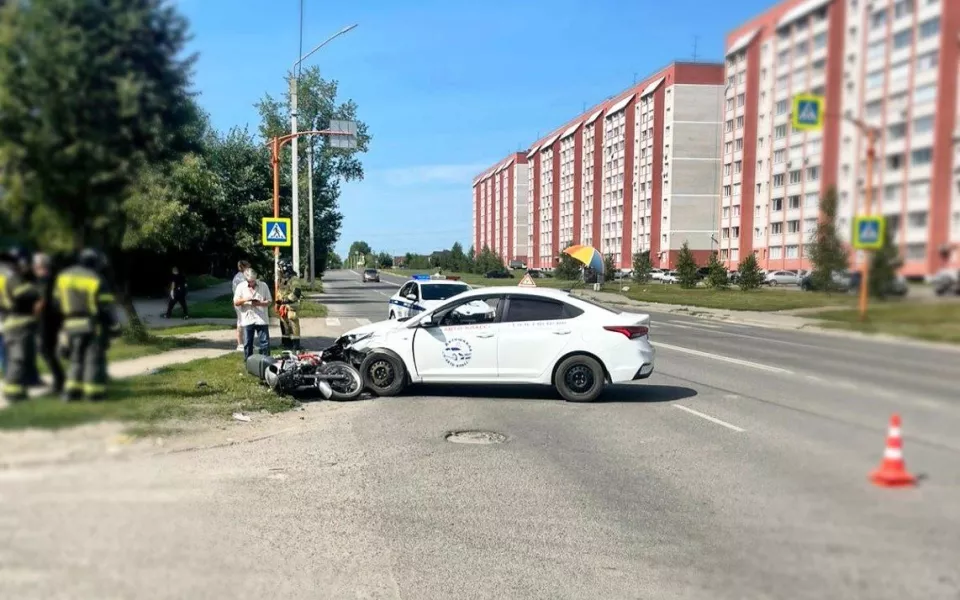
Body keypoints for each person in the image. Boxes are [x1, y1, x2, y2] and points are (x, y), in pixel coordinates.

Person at [54, 248, 122, 402]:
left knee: (76, 359)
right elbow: (104, 307)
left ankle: (71, 392)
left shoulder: (63, 277)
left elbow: (56, 303)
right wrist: (114, 326)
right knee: (93, 359)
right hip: (91, 325)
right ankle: (94, 393)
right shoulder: (95, 278)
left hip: (69, 325)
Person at [0, 247, 41, 402]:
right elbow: (23, 294)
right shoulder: (10, 276)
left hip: (8, 320)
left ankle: (18, 390)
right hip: (19, 321)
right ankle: (13, 391)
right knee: (19, 358)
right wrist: (35, 288)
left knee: (12, 357)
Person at [32, 252, 65, 395]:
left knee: (45, 349)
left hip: (48, 319)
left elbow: (43, 301)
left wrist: (34, 312)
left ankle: (60, 380)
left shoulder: (46, 279)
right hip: (52, 318)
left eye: (35, 264)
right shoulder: (50, 277)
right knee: (47, 350)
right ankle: (61, 379)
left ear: (40, 265)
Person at [233, 267, 272, 361]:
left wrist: (259, 303)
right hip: (248, 317)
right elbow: (236, 302)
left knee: (264, 342)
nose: (252, 283)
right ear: (246, 279)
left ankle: (265, 361)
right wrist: (246, 299)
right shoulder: (241, 287)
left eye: (253, 281)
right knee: (248, 342)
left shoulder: (263, 285)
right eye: (250, 281)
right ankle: (248, 361)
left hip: (261, 318)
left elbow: (269, 301)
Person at [276, 260, 302, 350]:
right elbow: (280, 291)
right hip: (283, 307)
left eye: (279, 267)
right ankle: (286, 344)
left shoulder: (294, 279)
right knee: (284, 325)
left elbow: (296, 293)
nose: (278, 270)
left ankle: (296, 346)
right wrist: (278, 303)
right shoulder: (282, 279)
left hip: (291, 307)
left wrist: (285, 300)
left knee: (293, 325)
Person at [231, 260, 251, 352]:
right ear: (243, 267)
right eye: (248, 266)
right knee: (241, 322)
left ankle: (247, 342)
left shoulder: (241, 276)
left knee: (247, 322)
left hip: (245, 301)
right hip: (240, 301)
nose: (249, 268)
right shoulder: (240, 278)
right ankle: (240, 344)